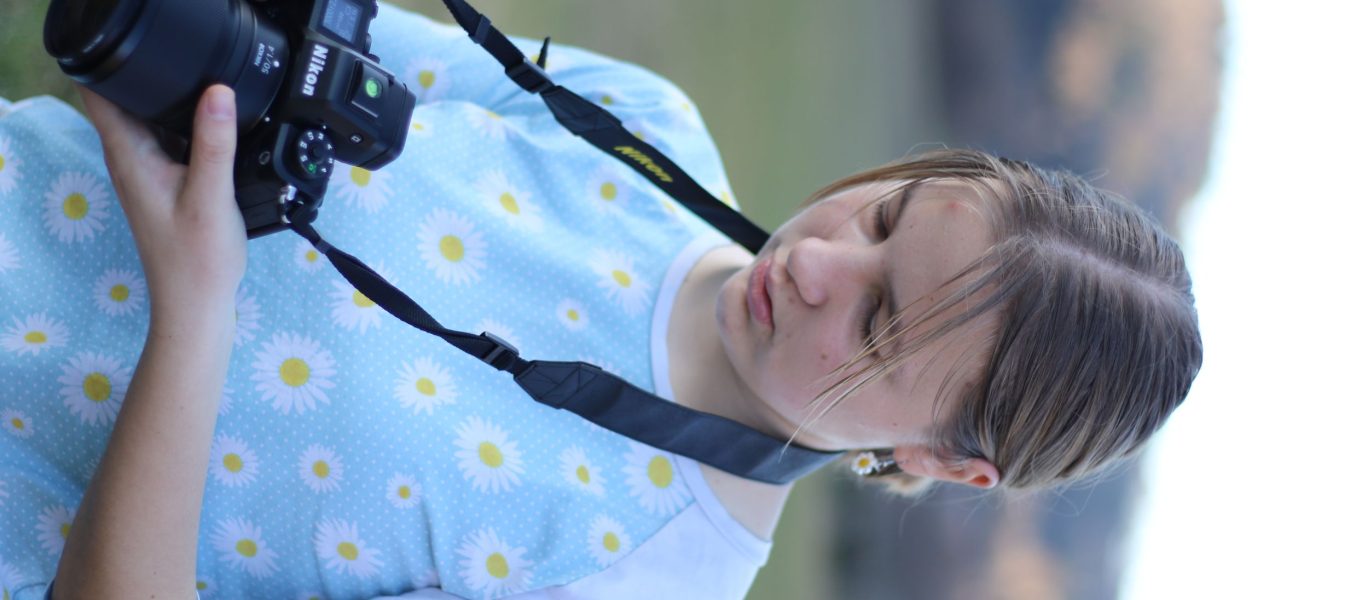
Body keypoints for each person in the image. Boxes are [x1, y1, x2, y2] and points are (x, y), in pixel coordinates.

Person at [0, 3, 1201, 599]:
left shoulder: (647, 578)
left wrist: (196, 316)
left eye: (880, 323)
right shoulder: (642, 130)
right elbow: (274, 47)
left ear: (941, 463)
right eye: (886, 218)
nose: (822, 264)